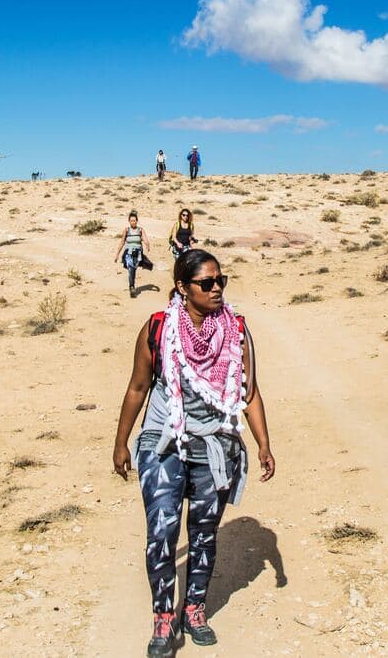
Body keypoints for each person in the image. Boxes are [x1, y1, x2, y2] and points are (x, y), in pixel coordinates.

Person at [113, 250, 276, 658]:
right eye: (207, 283)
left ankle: (195, 608)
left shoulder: (236, 329)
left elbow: (248, 391)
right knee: (163, 530)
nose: (217, 287)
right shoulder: (159, 328)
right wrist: (121, 442)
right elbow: (138, 387)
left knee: (204, 532)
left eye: (221, 280)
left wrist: (263, 445)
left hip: (215, 443)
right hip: (163, 438)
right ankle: (163, 616)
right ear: (183, 289)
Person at [113, 211, 152, 297]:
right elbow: (122, 242)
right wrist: (117, 255)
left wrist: (147, 245)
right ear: (129, 221)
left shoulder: (140, 230)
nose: (133, 222)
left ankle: (132, 285)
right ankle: (132, 287)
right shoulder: (126, 230)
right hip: (128, 253)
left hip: (138, 253)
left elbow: (145, 240)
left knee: (134, 269)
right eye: (131, 221)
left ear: (137, 221)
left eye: (134, 220)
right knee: (131, 268)